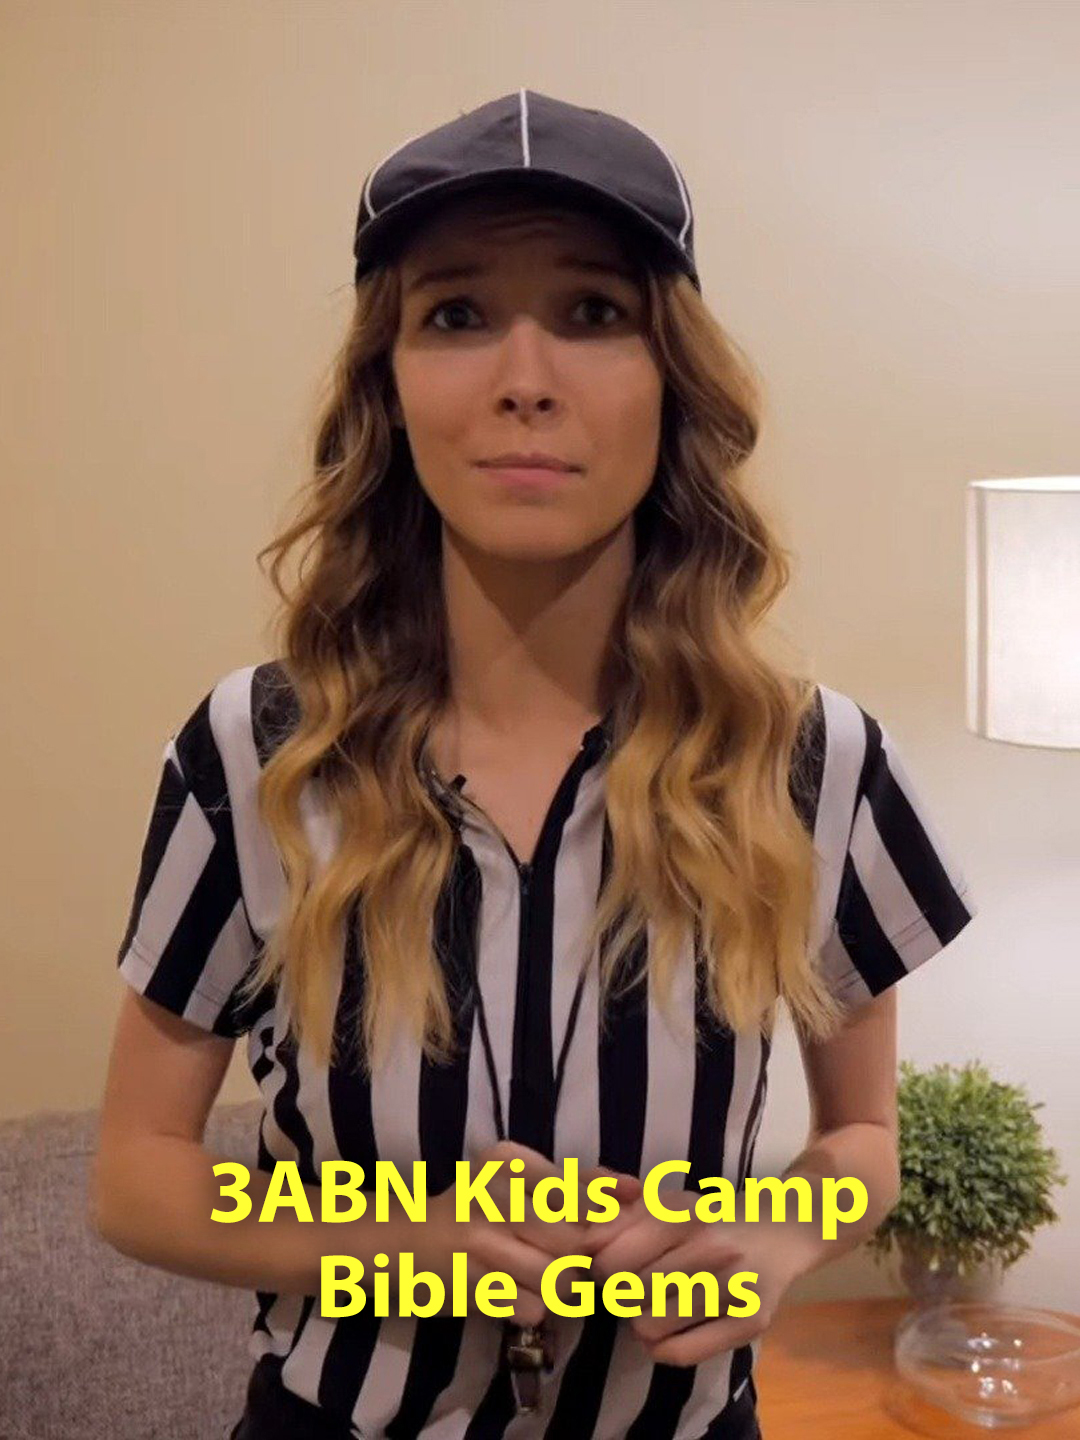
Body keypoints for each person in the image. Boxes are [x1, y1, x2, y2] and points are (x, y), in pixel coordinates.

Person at [91, 90, 977, 1439]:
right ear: (388, 387)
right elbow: (137, 1173)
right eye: (455, 314)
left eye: (592, 311)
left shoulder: (814, 762)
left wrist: (778, 1237)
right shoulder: (254, 755)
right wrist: (394, 1249)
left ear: (673, 378)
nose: (524, 377)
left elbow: (861, 1142)